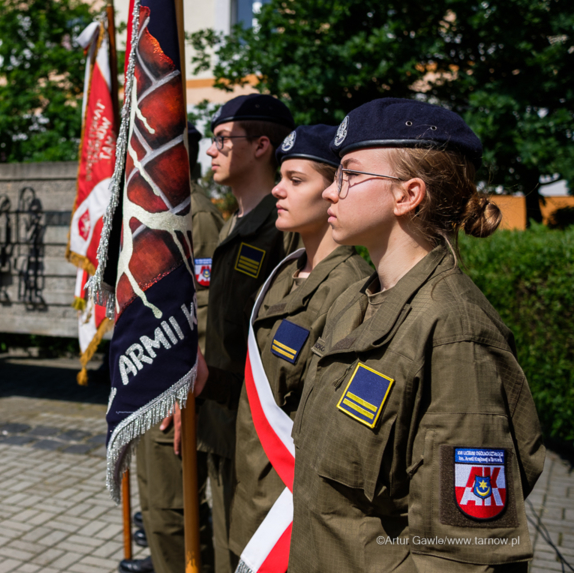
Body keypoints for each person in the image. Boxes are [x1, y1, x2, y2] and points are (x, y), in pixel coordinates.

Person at [287, 98, 545, 571]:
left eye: (349, 173)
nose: (330, 191)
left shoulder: (454, 333)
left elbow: (460, 555)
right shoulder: (356, 302)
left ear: (408, 195)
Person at [227, 125, 373, 571]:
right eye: (281, 178)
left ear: (333, 191)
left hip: (289, 512)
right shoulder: (286, 273)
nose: (277, 190)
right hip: (252, 492)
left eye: (296, 180)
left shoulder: (350, 288)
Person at [167, 94, 300, 573]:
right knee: (226, 553)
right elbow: (213, 330)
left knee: (252, 556)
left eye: (224, 138)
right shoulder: (230, 228)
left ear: (263, 145)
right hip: (224, 421)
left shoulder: (285, 232)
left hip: (262, 436)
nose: (210, 150)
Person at [122, 124, 223, 573]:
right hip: (151, 384)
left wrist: (184, 386)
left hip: (174, 393)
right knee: (155, 503)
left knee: (172, 512)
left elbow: (204, 310)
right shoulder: (158, 211)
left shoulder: (195, 216)